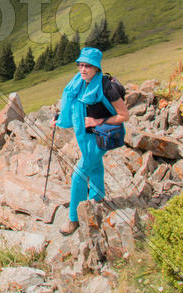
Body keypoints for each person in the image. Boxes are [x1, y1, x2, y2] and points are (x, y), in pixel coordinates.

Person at [50, 47, 129, 235]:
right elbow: (76, 107)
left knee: (78, 175)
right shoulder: (79, 84)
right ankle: (97, 197)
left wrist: (99, 121)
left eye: (88, 66)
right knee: (94, 166)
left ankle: (73, 219)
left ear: (96, 68)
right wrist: (60, 119)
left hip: (101, 136)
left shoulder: (107, 87)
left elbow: (124, 115)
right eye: (81, 65)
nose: (83, 69)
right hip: (84, 136)